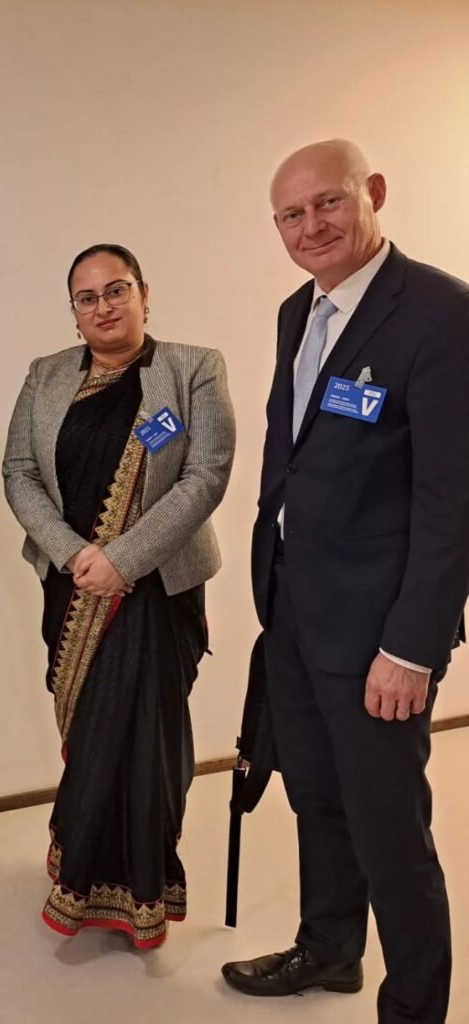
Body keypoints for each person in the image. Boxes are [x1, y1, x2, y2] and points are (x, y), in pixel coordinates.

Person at [221, 140, 469, 1024]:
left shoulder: (440, 314)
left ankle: (415, 1008)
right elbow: (294, 454)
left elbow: (451, 502)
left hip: (378, 632)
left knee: (389, 828)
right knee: (317, 796)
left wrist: (413, 648)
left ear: (374, 194)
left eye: (328, 203)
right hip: (295, 607)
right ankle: (330, 951)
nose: (311, 227)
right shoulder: (299, 311)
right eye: (291, 215)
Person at [2, 244, 235, 947]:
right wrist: (78, 555)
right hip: (72, 587)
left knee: (146, 739)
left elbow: (206, 475)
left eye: (116, 289)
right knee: (92, 733)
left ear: (144, 294)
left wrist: (123, 561)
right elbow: (18, 473)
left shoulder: (193, 368)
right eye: (88, 297)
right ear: (73, 312)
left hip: (158, 593)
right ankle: (82, 870)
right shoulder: (46, 376)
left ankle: (143, 890)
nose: (103, 306)